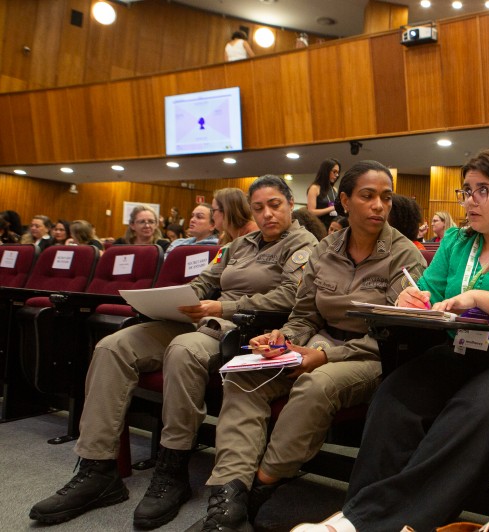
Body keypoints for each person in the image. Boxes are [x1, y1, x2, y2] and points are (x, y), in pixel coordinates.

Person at [302, 149, 489, 532]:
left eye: (484, 190)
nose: (471, 200)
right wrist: (411, 299)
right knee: (395, 397)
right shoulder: (457, 243)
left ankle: (362, 522)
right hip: (461, 350)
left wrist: (480, 299)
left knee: (477, 410)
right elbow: (428, 291)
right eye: (467, 191)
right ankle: (360, 513)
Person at [29, 175, 317, 528]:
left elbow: (291, 297)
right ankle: (97, 468)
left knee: (183, 350)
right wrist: (175, 299)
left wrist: (221, 308)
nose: (267, 214)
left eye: (275, 205)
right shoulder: (240, 245)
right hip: (203, 319)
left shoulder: (304, 244)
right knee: (113, 346)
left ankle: (173, 468)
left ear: (291, 205)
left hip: (244, 329)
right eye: (258, 208)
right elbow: (206, 281)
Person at [187, 161, 426, 532]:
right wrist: (284, 338)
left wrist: (325, 355)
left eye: (386, 197)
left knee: (316, 385)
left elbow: (394, 333)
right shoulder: (326, 249)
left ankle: (259, 489)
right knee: (242, 377)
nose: (379, 205)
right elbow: (304, 316)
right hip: (315, 344)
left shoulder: (403, 254)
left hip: (369, 355)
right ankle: (229, 493)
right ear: (345, 201)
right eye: (368, 196)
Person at [307, 158, 344, 229]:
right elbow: (311, 212)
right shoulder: (314, 188)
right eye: (334, 172)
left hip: (332, 227)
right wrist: (332, 208)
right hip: (319, 227)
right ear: (326, 171)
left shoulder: (334, 189)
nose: (337, 175)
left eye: (338, 172)